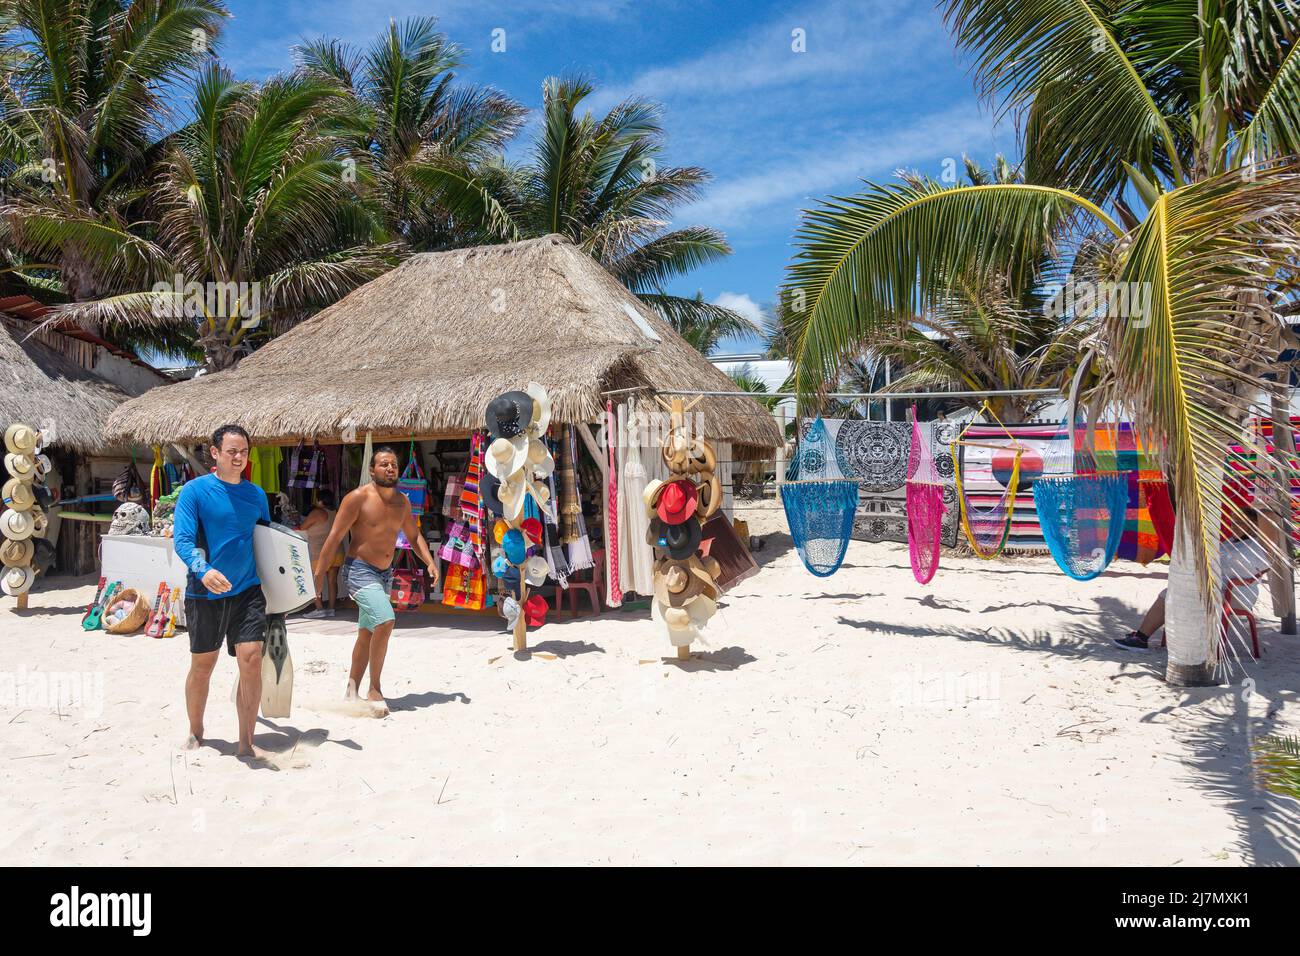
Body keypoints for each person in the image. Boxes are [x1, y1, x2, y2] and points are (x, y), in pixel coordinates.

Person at [313, 447, 439, 715]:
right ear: (372, 470)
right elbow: (334, 538)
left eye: (393, 464)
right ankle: (375, 688)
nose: (390, 468)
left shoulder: (402, 502)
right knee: (386, 619)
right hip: (359, 570)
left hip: (385, 574)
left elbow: (414, 537)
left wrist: (429, 561)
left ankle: (351, 689)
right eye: (384, 464)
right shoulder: (357, 498)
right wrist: (318, 576)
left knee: (367, 633)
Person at [172, 424, 272, 762]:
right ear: (214, 453)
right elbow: (183, 541)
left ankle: (246, 741)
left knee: (252, 659)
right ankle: (196, 730)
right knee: (204, 665)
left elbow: (267, 543)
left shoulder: (257, 496)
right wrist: (204, 569)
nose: (239, 457)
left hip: (247, 590)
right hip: (205, 592)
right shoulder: (194, 492)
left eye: (244, 451)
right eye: (232, 451)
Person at [1116, 503, 1270, 650]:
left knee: (1172, 593)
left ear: (1253, 524)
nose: (1234, 525)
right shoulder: (1232, 541)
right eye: (1234, 521)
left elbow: (1249, 567)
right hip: (1217, 588)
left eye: (1240, 522)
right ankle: (1142, 637)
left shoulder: (1257, 546)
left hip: (1235, 593)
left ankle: (1142, 638)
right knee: (1170, 592)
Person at [298, 489, 341, 618]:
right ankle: (331, 608)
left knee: (316, 580)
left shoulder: (317, 512)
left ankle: (320, 609)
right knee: (332, 581)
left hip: (320, 552)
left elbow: (302, 527)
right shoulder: (335, 512)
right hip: (337, 551)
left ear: (321, 500)